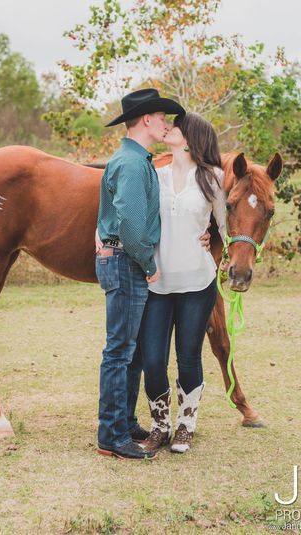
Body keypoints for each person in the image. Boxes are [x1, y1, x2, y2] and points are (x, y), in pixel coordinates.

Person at [95, 88, 185, 460]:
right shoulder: (132, 164)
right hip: (127, 260)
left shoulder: (136, 159)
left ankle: (125, 421)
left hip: (120, 257)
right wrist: (149, 264)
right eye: (163, 117)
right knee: (119, 351)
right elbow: (130, 224)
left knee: (129, 352)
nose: (167, 123)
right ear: (147, 120)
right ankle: (112, 435)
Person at [138, 112, 227, 454]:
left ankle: (186, 426)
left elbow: (226, 229)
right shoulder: (154, 176)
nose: (169, 128)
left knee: (189, 356)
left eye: (176, 125)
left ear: (191, 137)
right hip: (157, 283)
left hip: (197, 283)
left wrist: (212, 242)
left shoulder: (213, 178)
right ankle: (160, 426)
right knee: (153, 360)